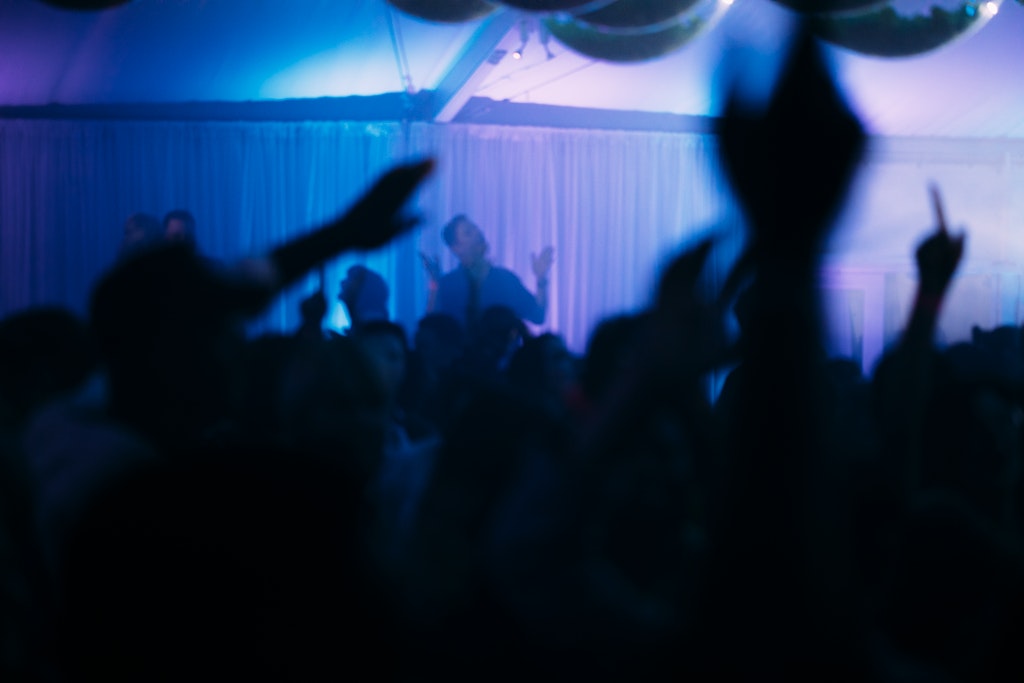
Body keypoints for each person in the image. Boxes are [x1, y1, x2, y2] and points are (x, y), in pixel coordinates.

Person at [421, 215, 553, 329]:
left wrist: (541, 279)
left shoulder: (506, 279)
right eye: (468, 232)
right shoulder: (447, 285)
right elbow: (431, 330)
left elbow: (538, 316)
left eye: (475, 228)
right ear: (456, 248)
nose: (478, 233)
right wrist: (434, 285)